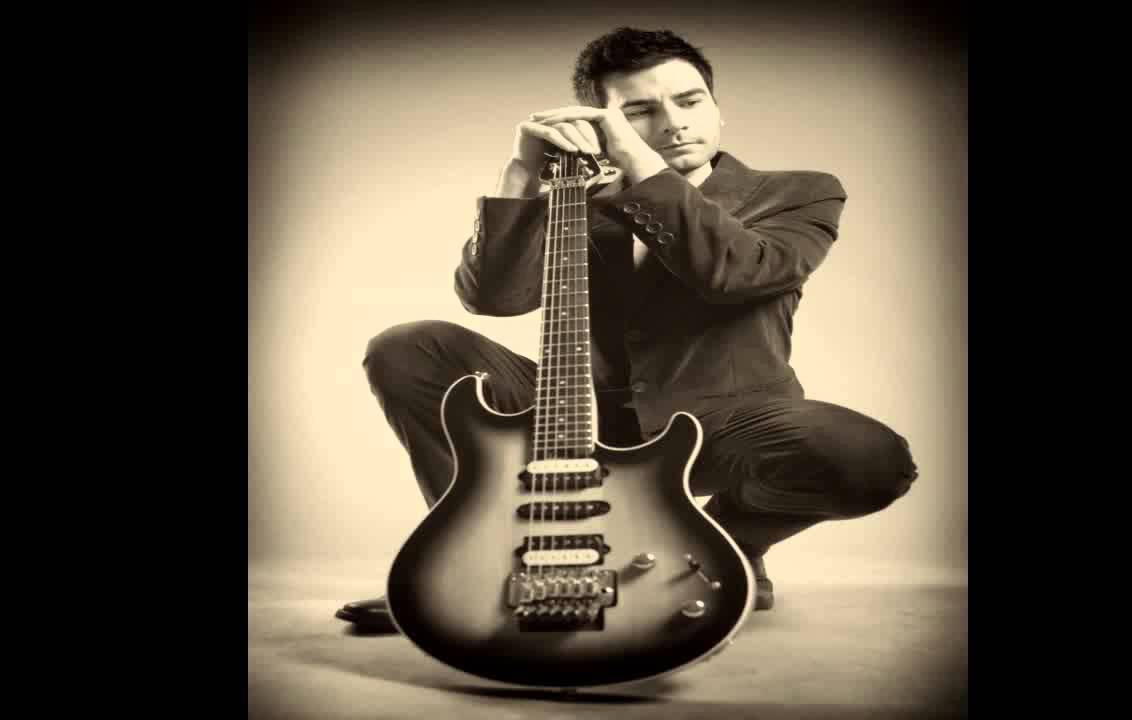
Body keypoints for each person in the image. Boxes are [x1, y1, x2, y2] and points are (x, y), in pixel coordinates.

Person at [336, 27, 918, 633]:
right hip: (584, 417)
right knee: (409, 347)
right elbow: (493, 299)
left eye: (689, 101)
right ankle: (474, 559)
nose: (674, 124)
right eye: (639, 111)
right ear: (602, 123)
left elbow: (736, 272)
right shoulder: (580, 200)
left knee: (867, 458)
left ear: (717, 107)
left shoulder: (799, 193)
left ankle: (719, 552)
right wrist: (521, 175)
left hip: (726, 425)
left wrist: (639, 163)